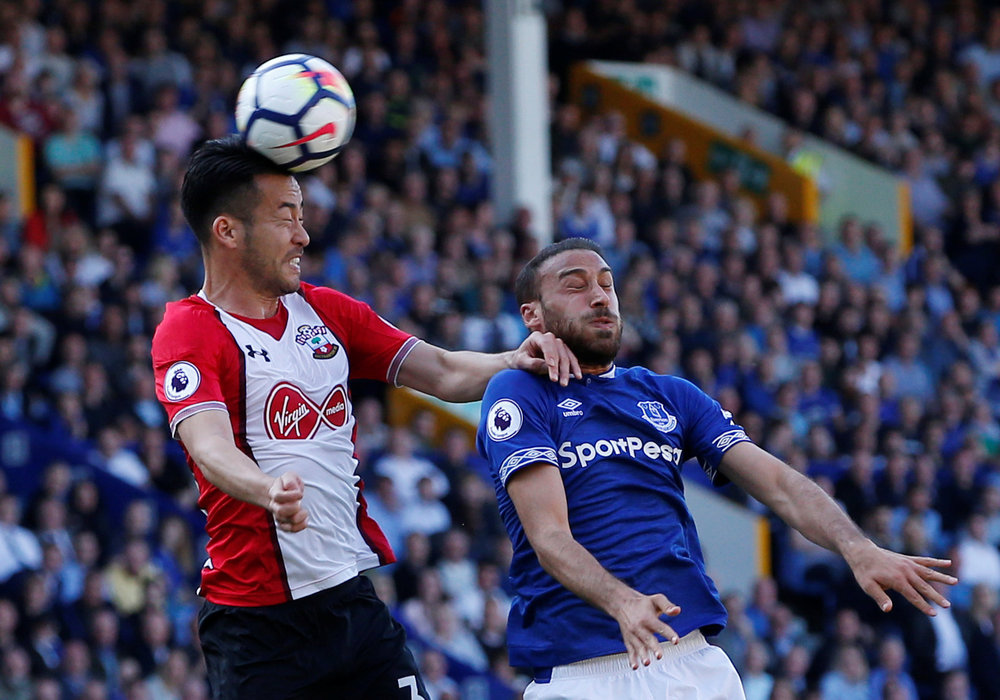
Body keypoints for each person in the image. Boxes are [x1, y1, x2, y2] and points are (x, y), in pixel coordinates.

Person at [150, 135, 581, 700]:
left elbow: (445, 371)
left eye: (303, 215)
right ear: (227, 231)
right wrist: (267, 489)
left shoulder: (327, 310)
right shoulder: (189, 329)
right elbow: (207, 446)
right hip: (256, 628)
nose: (304, 234)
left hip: (352, 606)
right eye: (286, 217)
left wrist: (511, 358)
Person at [476, 238, 957, 700]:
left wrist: (857, 548)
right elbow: (549, 537)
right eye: (576, 285)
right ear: (532, 314)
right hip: (583, 670)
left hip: (693, 662)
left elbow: (780, 483)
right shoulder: (518, 393)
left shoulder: (668, 394)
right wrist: (623, 602)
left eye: (606, 283)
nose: (600, 296)